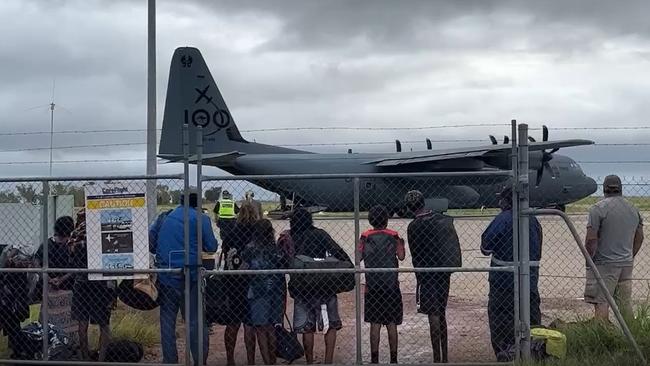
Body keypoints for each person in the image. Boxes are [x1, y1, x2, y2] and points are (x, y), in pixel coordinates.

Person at [155, 189, 218, 365]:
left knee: (167, 321)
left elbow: (151, 241)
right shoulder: (201, 219)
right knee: (195, 320)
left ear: (181, 201)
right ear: (197, 202)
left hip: (167, 275)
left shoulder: (164, 216)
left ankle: (170, 360)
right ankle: (199, 359)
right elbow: (212, 246)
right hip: (191, 275)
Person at [481, 186, 542, 361]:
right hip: (529, 282)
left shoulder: (503, 219)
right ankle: (533, 355)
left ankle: (506, 357)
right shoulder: (533, 219)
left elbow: (486, 247)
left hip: (504, 284)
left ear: (507, 202)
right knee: (532, 322)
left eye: (503, 199)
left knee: (502, 325)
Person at [286, 208, 351, 364]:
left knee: (307, 327)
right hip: (324, 283)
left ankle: (309, 361)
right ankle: (328, 360)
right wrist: (346, 264)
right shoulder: (320, 234)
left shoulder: (291, 237)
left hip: (302, 284)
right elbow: (337, 251)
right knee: (331, 324)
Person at [405, 190, 461, 363]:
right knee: (441, 311)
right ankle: (444, 355)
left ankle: (437, 355)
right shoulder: (440, 220)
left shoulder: (413, 227)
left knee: (433, 314)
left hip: (426, 273)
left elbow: (415, 254)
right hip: (443, 271)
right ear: (424, 202)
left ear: (409, 207)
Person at [584, 175, 643, 321]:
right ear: (621, 189)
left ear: (604, 189)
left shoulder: (598, 209)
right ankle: (631, 335)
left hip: (604, 263)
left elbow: (591, 239)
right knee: (625, 304)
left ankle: (602, 336)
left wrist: (589, 260)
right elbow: (639, 237)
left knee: (602, 301)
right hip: (626, 263)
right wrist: (630, 255)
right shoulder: (633, 209)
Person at [359, 205, 405, 364]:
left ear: (370, 220)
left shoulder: (365, 236)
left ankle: (374, 359)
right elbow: (401, 256)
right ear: (386, 219)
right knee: (391, 323)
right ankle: (394, 358)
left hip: (373, 286)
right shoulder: (393, 235)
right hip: (391, 286)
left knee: (375, 323)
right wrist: (402, 244)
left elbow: (358, 258)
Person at [68, 209, 115, 361]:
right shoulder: (104, 229)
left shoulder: (75, 234)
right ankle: (101, 359)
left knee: (82, 321)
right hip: (101, 280)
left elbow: (71, 257)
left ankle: (85, 358)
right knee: (104, 322)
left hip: (81, 280)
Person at [242, 219, 290, 365]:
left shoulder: (250, 249)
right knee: (272, 327)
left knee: (260, 328)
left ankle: (267, 361)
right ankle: (273, 361)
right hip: (276, 290)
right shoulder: (276, 249)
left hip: (258, 291)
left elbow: (243, 268)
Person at [222, 202, 259, 366]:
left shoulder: (230, 234)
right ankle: (250, 360)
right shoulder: (257, 234)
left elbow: (225, 254)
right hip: (251, 283)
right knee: (249, 324)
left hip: (232, 282)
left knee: (233, 322)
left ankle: (230, 359)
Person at [35, 216, 77, 344]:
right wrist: (55, 279)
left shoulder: (49, 244)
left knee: (56, 318)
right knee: (62, 318)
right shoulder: (68, 246)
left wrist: (51, 278)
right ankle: (63, 344)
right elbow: (75, 267)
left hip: (56, 287)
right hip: (60, 287)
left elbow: (37, 262)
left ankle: (56, 344)